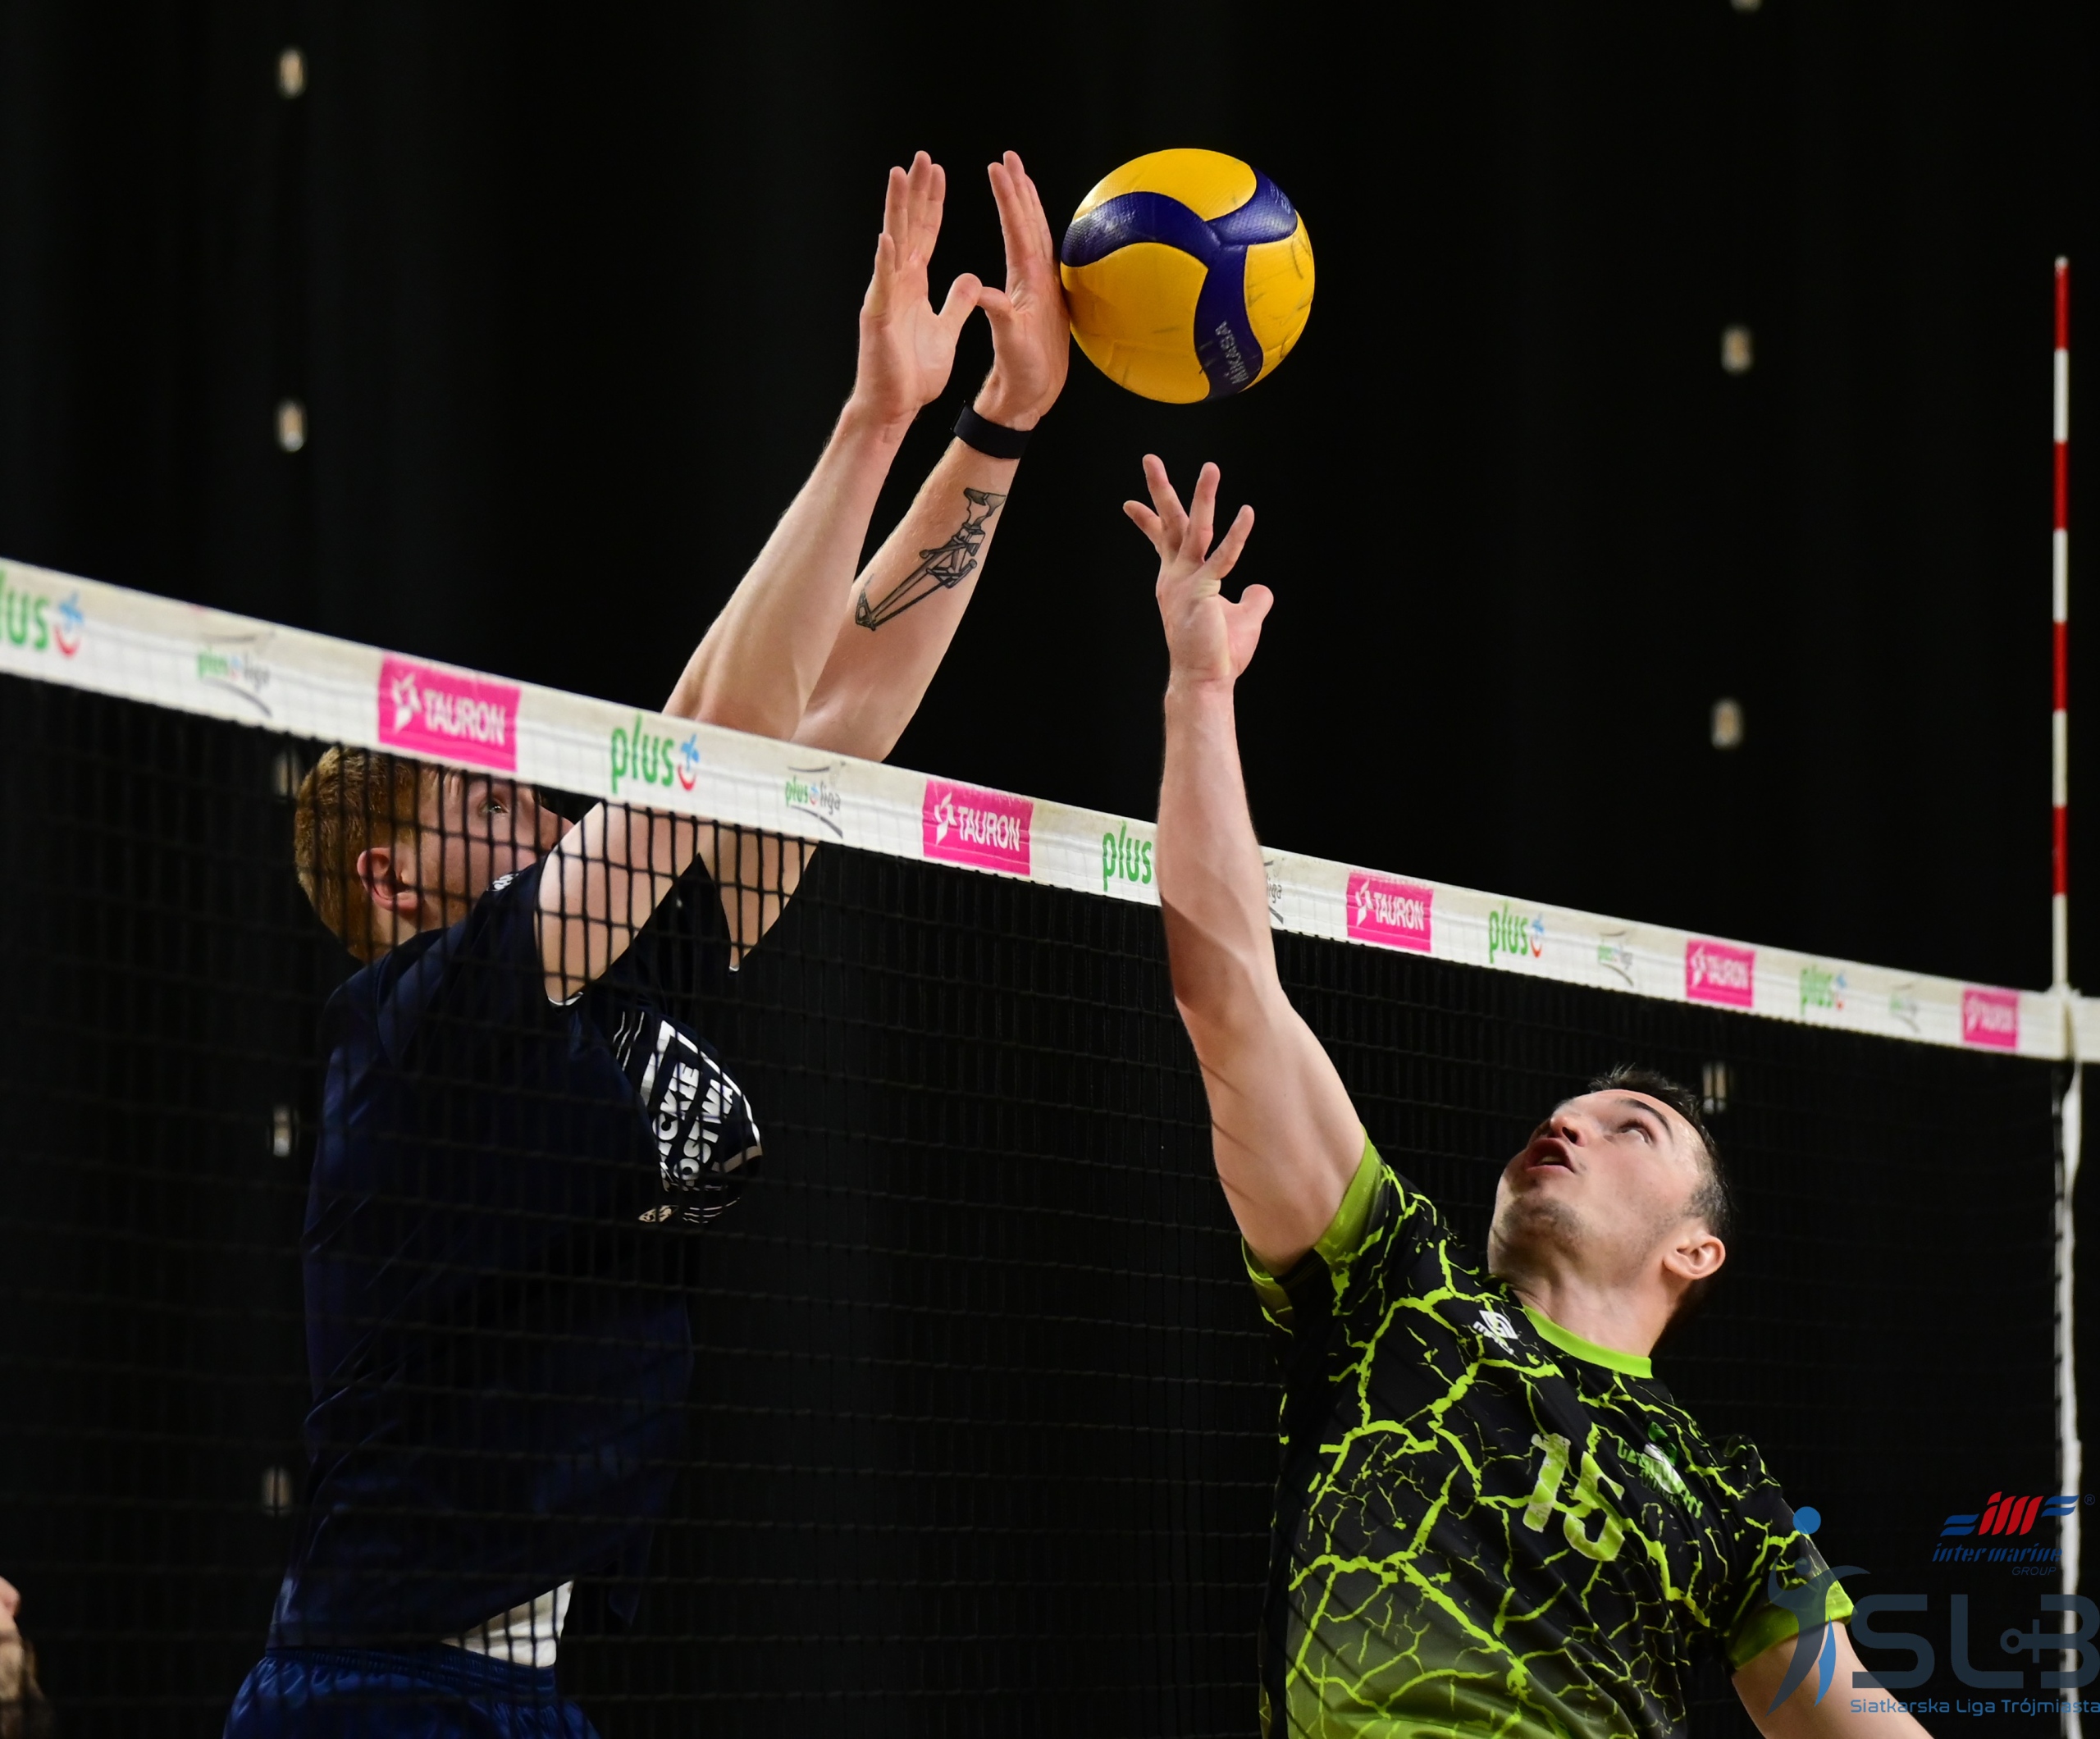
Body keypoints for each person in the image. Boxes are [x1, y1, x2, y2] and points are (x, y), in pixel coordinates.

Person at [225, 148, 1071, 1736]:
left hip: (529, 1684)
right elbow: (706, 748)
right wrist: (873, 419)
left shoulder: (616, 977)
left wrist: (998, 432)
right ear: (391, 881)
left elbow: (820, 732)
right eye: (487, 799)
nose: (538, 803)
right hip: (374, 1684)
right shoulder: (415, 1021)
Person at [1131, 454, 1932, 1739]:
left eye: (1632, 1128)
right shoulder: (1392, 1288)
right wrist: (1201, 688)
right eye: (1567, 1113)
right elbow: (1227, 993)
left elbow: (1857, 1723)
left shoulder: (1727, 1501)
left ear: (1695, 1249)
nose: (1568, 1124)